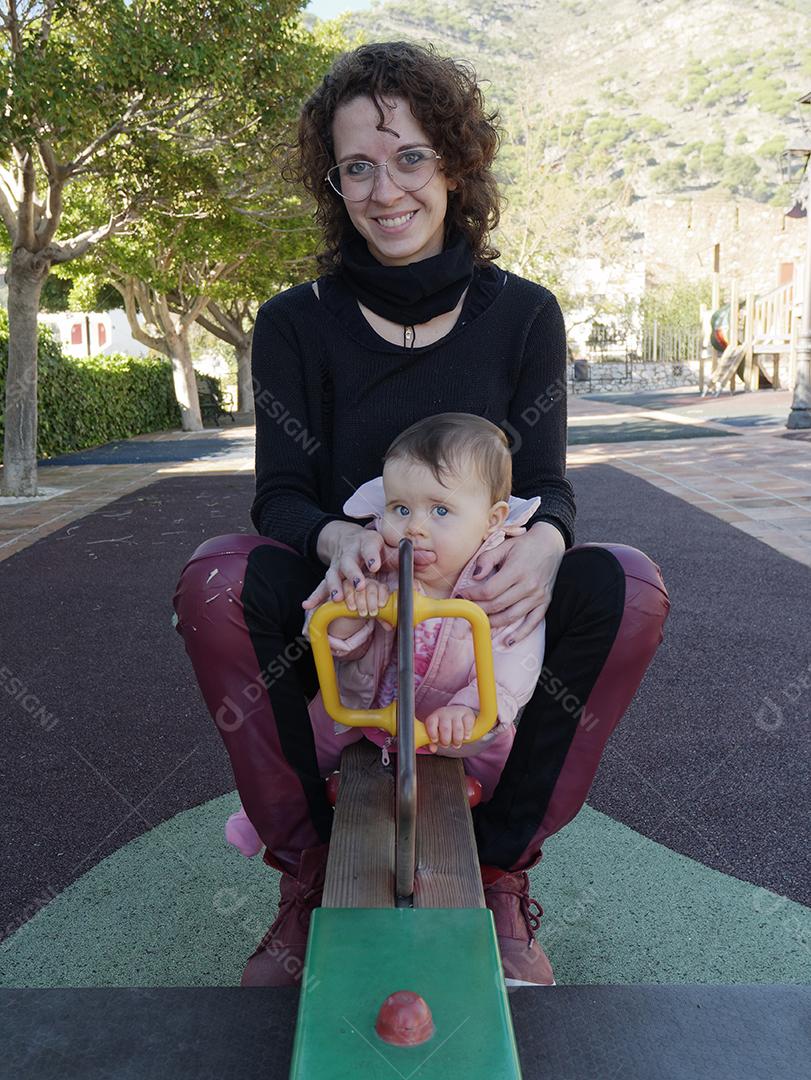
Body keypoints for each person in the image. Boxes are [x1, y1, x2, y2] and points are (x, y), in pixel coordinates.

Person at [172, 40, 671, 990]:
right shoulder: (292, 322)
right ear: (335, 184)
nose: (384, 189)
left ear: (453, 164)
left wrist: (550, 544)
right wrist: (343, 536)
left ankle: (496, 870)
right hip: (346, 592)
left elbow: (549, 485)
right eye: (356, 165)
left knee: (627, 585)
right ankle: (310, 873)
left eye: (408, 158)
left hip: (475, 593)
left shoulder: (524, 316)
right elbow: (279, 494)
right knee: (217, 578)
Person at [223, 413, 547, 862]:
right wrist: (354, 612)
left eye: (440, 510)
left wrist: (472, 709)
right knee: (306, 740)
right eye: (400, 509)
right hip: (367, 709)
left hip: (454, 723)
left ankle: (495, 858)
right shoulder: (381, 563)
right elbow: (334, 642)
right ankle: (265, 815)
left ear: (491, 520)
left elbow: (514, 657)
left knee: (501, 763)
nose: (413, 527)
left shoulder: (496, 580)